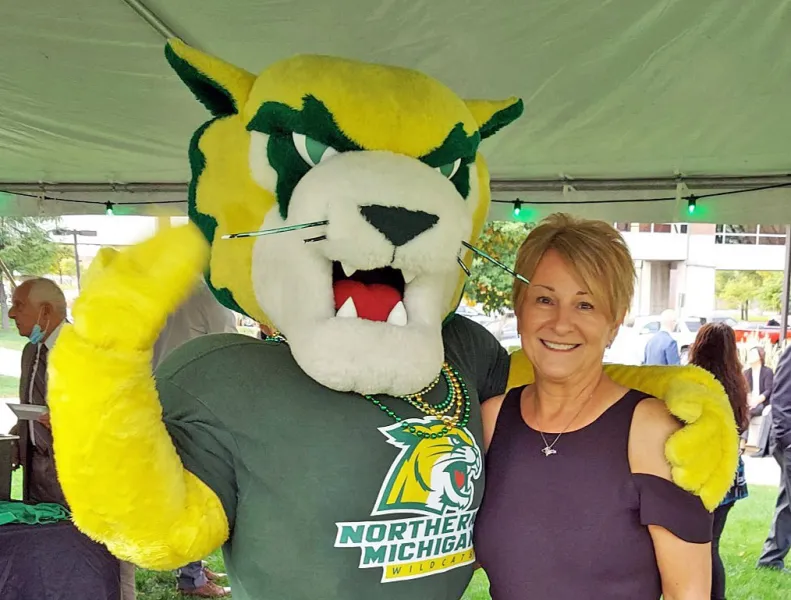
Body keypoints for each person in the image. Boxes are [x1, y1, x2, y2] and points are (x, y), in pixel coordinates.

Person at [474, 214, 713, 599]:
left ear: (614, 324)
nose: (561, 322)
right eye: (544, 299)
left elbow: (691, 595)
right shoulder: (491, 420)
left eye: (585, 305)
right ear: (520, 310)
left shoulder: (651, 430)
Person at [153, 278, 236, 598]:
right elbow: (231, 352)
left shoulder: (165, 293)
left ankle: (193, 566)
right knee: (197, 489)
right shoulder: (211, 298)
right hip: (194, 406)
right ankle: (192, 577)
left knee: (182, 489)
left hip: (162, 399)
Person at [688, 323, 749, 600]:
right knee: (712, 544)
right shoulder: (737, 382)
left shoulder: (693, 382)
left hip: (703, 473)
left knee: (696, 545)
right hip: (730, 475)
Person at [7, 278, 68, 506]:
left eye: (19, 305)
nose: (12, 313)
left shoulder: (85, 351)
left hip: (73, 474)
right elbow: (33, 403)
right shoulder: (30, 350)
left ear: (46, 311)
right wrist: (17, 437)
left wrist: (69, 421)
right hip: (35, 474)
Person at [757, 344, 791, 573]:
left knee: (787, 503)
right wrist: (788, 439)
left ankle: (770, 559)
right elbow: (780, 399)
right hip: (788, 441)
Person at [744, 346, 773, 418]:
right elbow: (745, 390)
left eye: (753, 354)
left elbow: (768, 390)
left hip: (762, 402)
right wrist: (749, 400)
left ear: (760, 356)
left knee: (748, 413)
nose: (750, 356)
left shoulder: (767, 371)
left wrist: (756, 401)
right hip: (749, 402)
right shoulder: (746, 372)